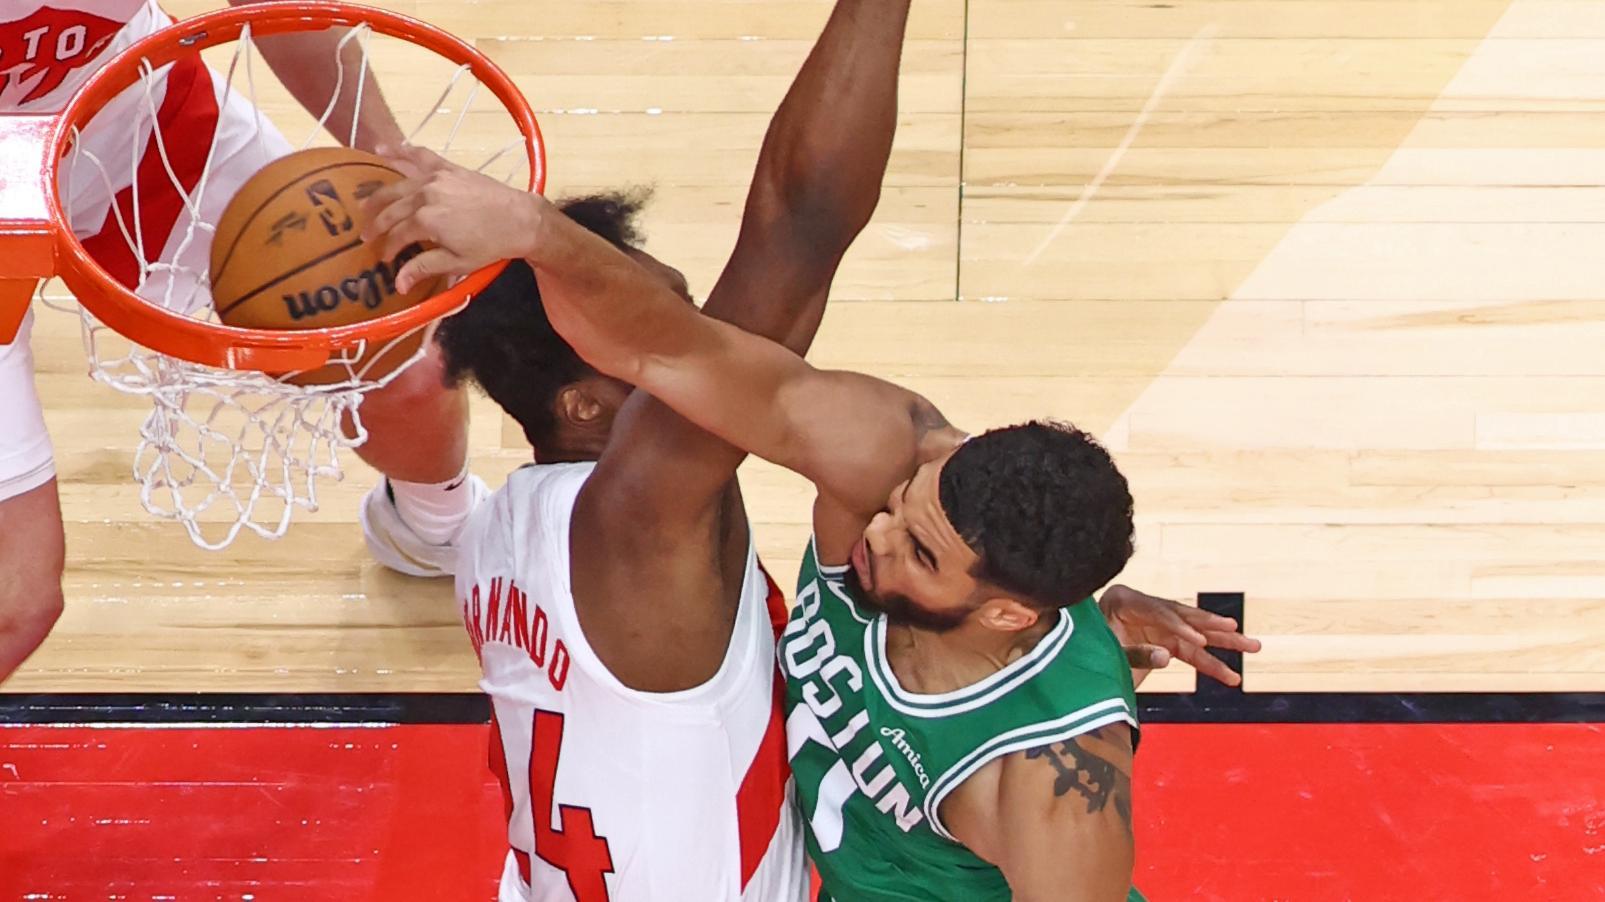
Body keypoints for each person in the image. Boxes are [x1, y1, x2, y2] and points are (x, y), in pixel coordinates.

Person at [368, 1, 1255, 898]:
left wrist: (1073, 628)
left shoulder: (493, 538)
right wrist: (535, 234)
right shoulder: (649, 514)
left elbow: (683, 341)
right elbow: (792, 232)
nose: (876, 530)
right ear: (590, 399)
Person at [0, 0, 479, 685]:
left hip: (130, 127)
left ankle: (436, 526)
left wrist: (390, 161)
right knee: (17, 600)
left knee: (400, 363)